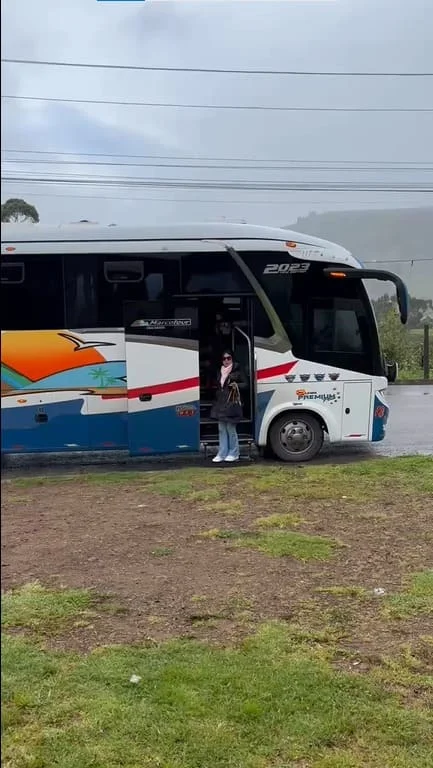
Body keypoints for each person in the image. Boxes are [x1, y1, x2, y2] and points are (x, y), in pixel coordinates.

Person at [210, 350, 247, 463]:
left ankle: (234, 453)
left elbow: (246, 384)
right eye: (224, 358)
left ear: (232, 359)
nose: (226, 360)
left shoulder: (238, 370)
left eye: (228, 358)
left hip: (232, 403)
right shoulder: (219, 371)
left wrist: (236, 385)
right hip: (221, 403)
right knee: (221, 429)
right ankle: (222, 453)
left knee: (230, 429)